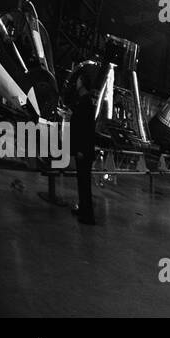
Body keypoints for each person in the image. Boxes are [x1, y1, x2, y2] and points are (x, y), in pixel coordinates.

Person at [71, 73, 97, 225]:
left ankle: (88, 216)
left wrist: (81, 149)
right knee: (81, 182)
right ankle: (83, 209)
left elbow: (86, 129)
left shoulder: (86, 102)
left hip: (84, 151)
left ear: (83, 83)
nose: (76, 82)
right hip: (82, 150)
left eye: (79, 80)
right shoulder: (83, 101)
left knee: (85, 184)